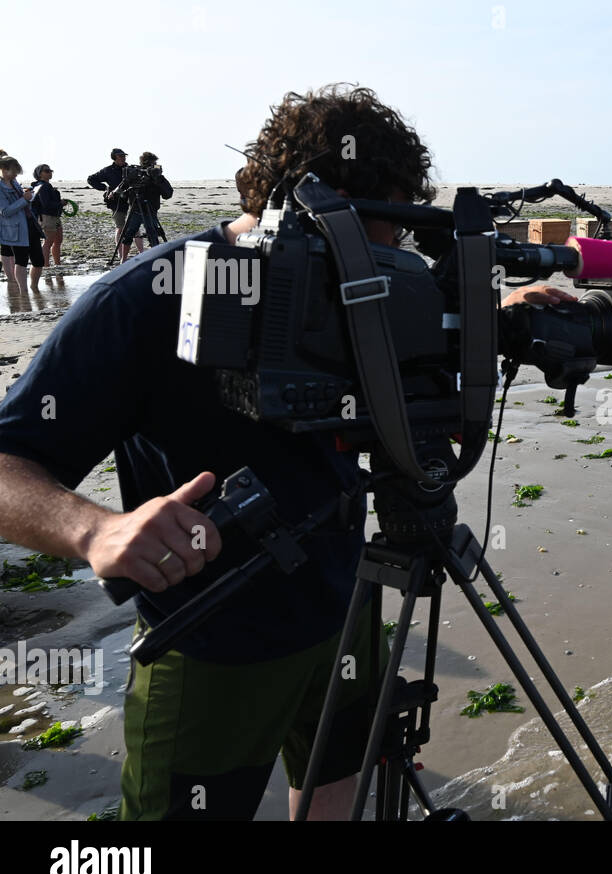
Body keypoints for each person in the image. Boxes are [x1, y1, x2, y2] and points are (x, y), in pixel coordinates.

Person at [0, 84, 577, 820]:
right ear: (323, 205)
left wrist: (493, 318)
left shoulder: (365, 283)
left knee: (341, 790)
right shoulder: (148, 296)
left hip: (349, 601)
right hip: (215, 638)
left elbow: (402, 351)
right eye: (389, 235)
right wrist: (95, 529)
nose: (396, 259)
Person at [110, 151, 172, 254]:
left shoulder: (157, 177)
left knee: (151, 233)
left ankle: (150, 256)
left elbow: (168, 194)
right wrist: (114, 193)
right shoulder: (135, 174)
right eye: (154, 163)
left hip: (149, 209)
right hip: (136, 208)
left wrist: (157, 179)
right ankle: (124, 260)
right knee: (129, 234)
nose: (155, 166)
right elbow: (122, 188)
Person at [87, 148, 142, 261]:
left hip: (132, 201)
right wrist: (105, 188)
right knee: (120, 228)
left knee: (136, 228)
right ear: (114, 158)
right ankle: (121, 254)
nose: (123, 158)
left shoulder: (131, 169)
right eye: (120, 156)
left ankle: (141, 252)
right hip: (116, 203)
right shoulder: (108, 170)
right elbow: (91, 179)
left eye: (124, 156)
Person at [0, 156, 44, 295]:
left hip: (30, 224)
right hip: (15, 229)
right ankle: (23, 292)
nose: (15, 175)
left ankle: (34, 288)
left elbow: (22, 202)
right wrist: (24, 200)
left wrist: (29, 196)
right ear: (4, 169)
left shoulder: (14, 182)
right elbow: (5, 212)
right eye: (14, 171)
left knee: (38, 260)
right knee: (21, 261)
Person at [29, 164, 63, 267]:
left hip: (54, 216)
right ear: (39, 174)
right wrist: (60, 203)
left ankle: (57, 264)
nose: (50, 172)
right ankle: (46, 265)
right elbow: (46, 204)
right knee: (48, 242)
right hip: (46, 217)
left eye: (50, 170)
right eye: (47, 171)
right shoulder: (43, 186)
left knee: (58, 240)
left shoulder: (47, 185)